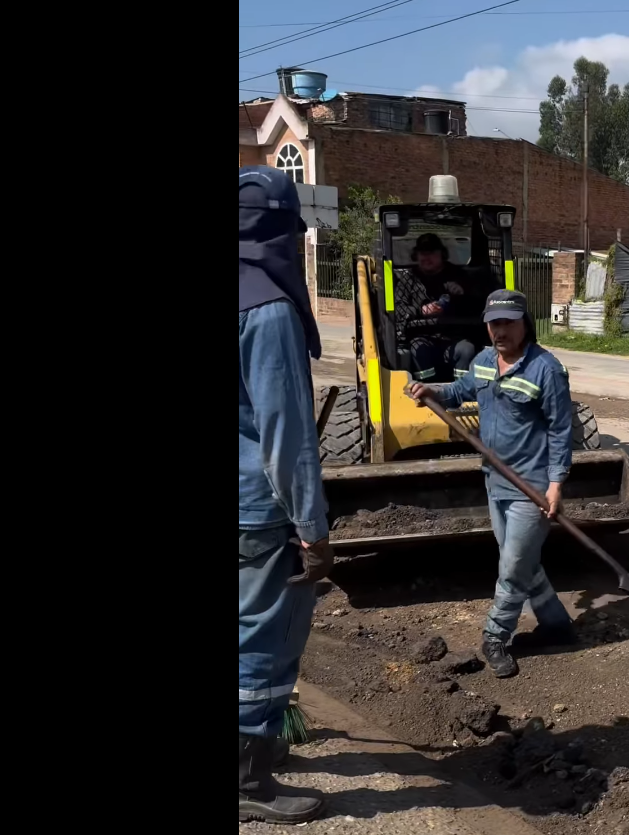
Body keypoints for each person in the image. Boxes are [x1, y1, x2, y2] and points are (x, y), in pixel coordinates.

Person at [407, 289, 575, 678]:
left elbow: (561, 430)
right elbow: (459, 393)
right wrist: (433, 391)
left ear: (524, 324)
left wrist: (555, 484)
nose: (500, 331)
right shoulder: (483, 362)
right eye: (494, 323)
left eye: (508, 323)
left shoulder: (546, 369)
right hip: (495, 480)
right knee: (520, 560)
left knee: (513, 565)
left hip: (530, 488)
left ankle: (495, 635)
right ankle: (557, 624)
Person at [239, 166, 335, 824]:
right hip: (258, 507)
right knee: (263, 640)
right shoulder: (268, 309)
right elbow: (287, 435)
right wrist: (312, 527)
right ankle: (250, 778)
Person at [408, 233, 483, 382]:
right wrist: (421, 311)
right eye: (423, 253)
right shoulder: (408, 278)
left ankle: (461, 391)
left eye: (432, 253)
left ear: (442, 254)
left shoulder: (459, 275)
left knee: (466, 349)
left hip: (454, 337)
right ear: (416, 255)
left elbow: (479, 306)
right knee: (419, 349)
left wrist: (463, 293)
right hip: (422, 336)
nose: (427, 257)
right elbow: (397, 310)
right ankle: (428, 390)